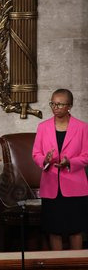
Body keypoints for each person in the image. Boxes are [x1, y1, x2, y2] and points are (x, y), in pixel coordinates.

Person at [32, 88, 88, 250]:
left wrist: (70, 162)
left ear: (69, 106)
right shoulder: (43, 127)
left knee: (75, 231)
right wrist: (45, 160)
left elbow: (86, 155)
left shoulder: (82, 128)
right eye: (53, 104)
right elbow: (36, 153)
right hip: (51, 186)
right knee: (53, 230)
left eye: (60, 104)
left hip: (75, 186)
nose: (55, 108)